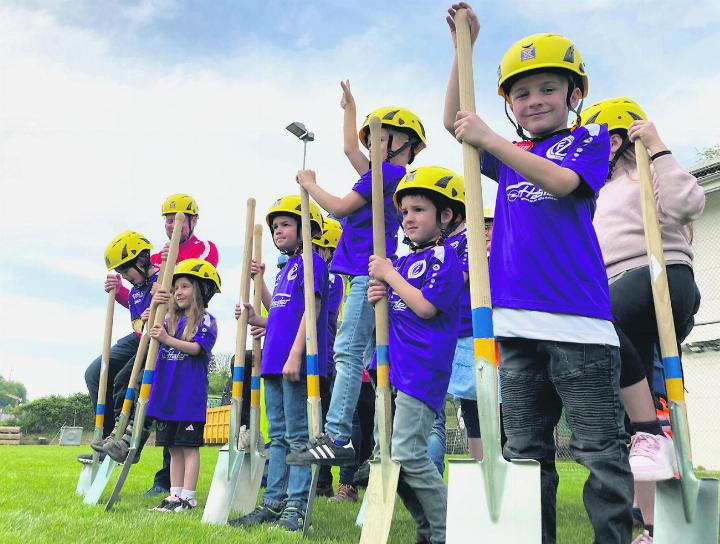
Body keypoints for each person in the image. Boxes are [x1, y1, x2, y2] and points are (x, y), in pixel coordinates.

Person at [444, 8, 634, 542]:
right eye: (522, 95)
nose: (535, 101)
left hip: (580, 325)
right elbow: (455, 123)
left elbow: (561, 183)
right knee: (524, 451)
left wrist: (492, 140)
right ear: (509, 104)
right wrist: (466, 52)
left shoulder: (589, 139)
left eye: (548, 88)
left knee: (599, 448)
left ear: (575, 93)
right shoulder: (510, 154)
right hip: (515, 325)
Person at [584, 96, 704, 543]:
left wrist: (656, 146)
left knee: (593, 325)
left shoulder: (644, 171)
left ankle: (649, 425)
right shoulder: (595, 193)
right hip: (618, 292)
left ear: (614, 140)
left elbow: (688, 205)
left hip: (657, 276)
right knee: (635, 415)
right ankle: (652, 523)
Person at [289, 95, 427, 465]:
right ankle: (392, 429)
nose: (372, 144)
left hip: (370, 276)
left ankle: (337, 436)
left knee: (346, 351)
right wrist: (350, 108)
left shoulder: (389, 176)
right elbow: (350, 147)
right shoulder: (381, 177)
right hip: (362, 276)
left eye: (381, 138)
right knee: (369, 358)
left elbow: (337, 208)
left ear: (405, 146)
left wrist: (309, 184)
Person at [367, 166, 464, 544]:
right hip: (391, 370)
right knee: (387, 459)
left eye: (418, 210)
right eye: (404, 211)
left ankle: (448, 529)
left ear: (444, 216)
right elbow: (400, 309)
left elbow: (425, 308)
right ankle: (428, 532)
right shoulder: (403, 263)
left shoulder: (445, 257)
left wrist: (390, 278)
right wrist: (382, 297)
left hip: (421, 371)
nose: (408, 218)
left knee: (407, 453)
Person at [229, 195, 329, 532]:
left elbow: (311, 311)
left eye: (285, 224)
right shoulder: (287, 269)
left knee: (299, 435)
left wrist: (296, 354)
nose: (278, 231)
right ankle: (273, 502)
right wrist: (257, 302)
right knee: (279, 435)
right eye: (274, 227)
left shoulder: (313, 262)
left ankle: (296, 506)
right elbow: (279, 313)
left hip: (294, 363)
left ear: (306, 228)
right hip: (272, 363)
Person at [145, 258, 220, 512]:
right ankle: (174, 495)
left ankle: (188, 496)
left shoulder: (206, 320)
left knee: (189, 447)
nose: (178, 291)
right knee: (173, 448)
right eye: (176, 287)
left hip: (188, 396)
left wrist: (167, 339)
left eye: (185, 286)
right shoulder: (168, 320)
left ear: (199, 290)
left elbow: (198, 348)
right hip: (166, 394)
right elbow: (151, 333)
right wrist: (153, 310)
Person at [83, 231, 158, 450]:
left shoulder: (164, 278)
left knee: (127, 380)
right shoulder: (135, 293)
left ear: (142, 260)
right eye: (120, 272)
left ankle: (128, 435)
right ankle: (111, 433)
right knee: (106, 376)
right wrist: (119, 293)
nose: (124, 276)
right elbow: (135, 323)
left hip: (159, 342)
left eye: (126, 270)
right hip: (140, 338)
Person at [312, 216, 346, 497]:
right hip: (309, 355)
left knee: (321, 422)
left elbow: (317, 312)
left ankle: (322, 480)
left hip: (323, 357)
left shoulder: (333, 279)